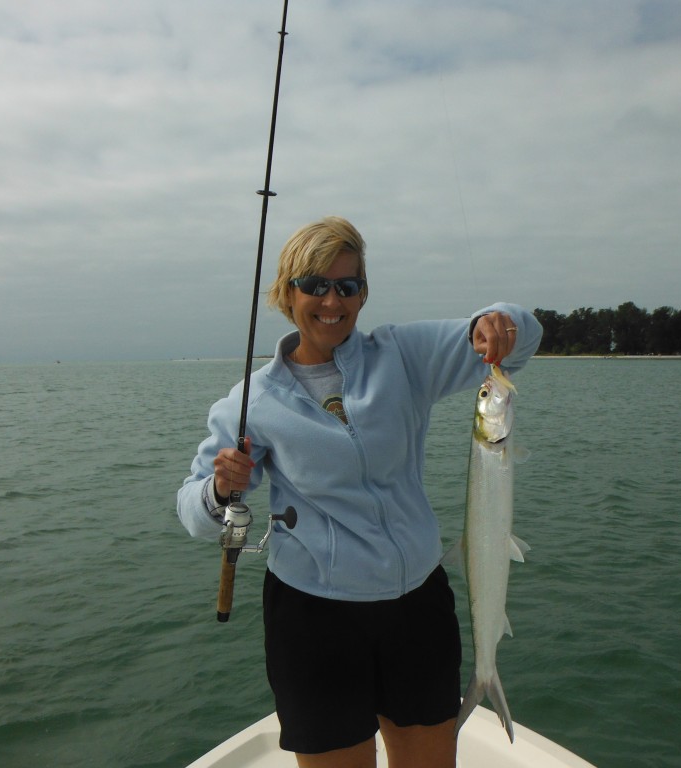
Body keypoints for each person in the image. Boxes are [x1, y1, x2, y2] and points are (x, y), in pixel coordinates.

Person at [177, 216, 542, 768]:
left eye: (347, 286)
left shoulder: (402, 357)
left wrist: (499, 324)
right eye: (314, 285)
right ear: (286, 292)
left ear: (364, 293)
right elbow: (195, 514)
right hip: (314, 618)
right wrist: (218, 490)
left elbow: (521, 340)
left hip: (415, 606)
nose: (331, 301)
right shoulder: (253, 400)